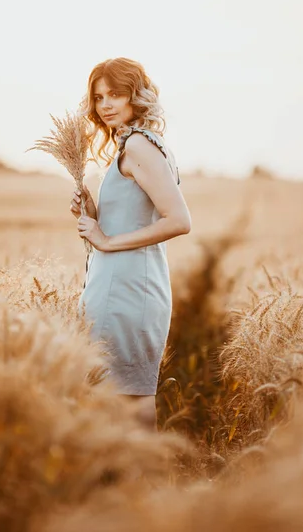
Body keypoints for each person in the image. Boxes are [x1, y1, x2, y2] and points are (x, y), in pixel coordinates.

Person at [70, 57, 191, 431]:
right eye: (99, 97)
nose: (105, 105)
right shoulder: (140, 145)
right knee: (123, 396)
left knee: (130, 401)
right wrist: (92, 210)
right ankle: (136, 485)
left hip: (126, 290)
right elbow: (139, 215)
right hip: (127, 284)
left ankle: (141, 484)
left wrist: (106, 241)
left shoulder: (138, 145)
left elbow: (179, 220)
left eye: (116, 94)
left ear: (136, 96)